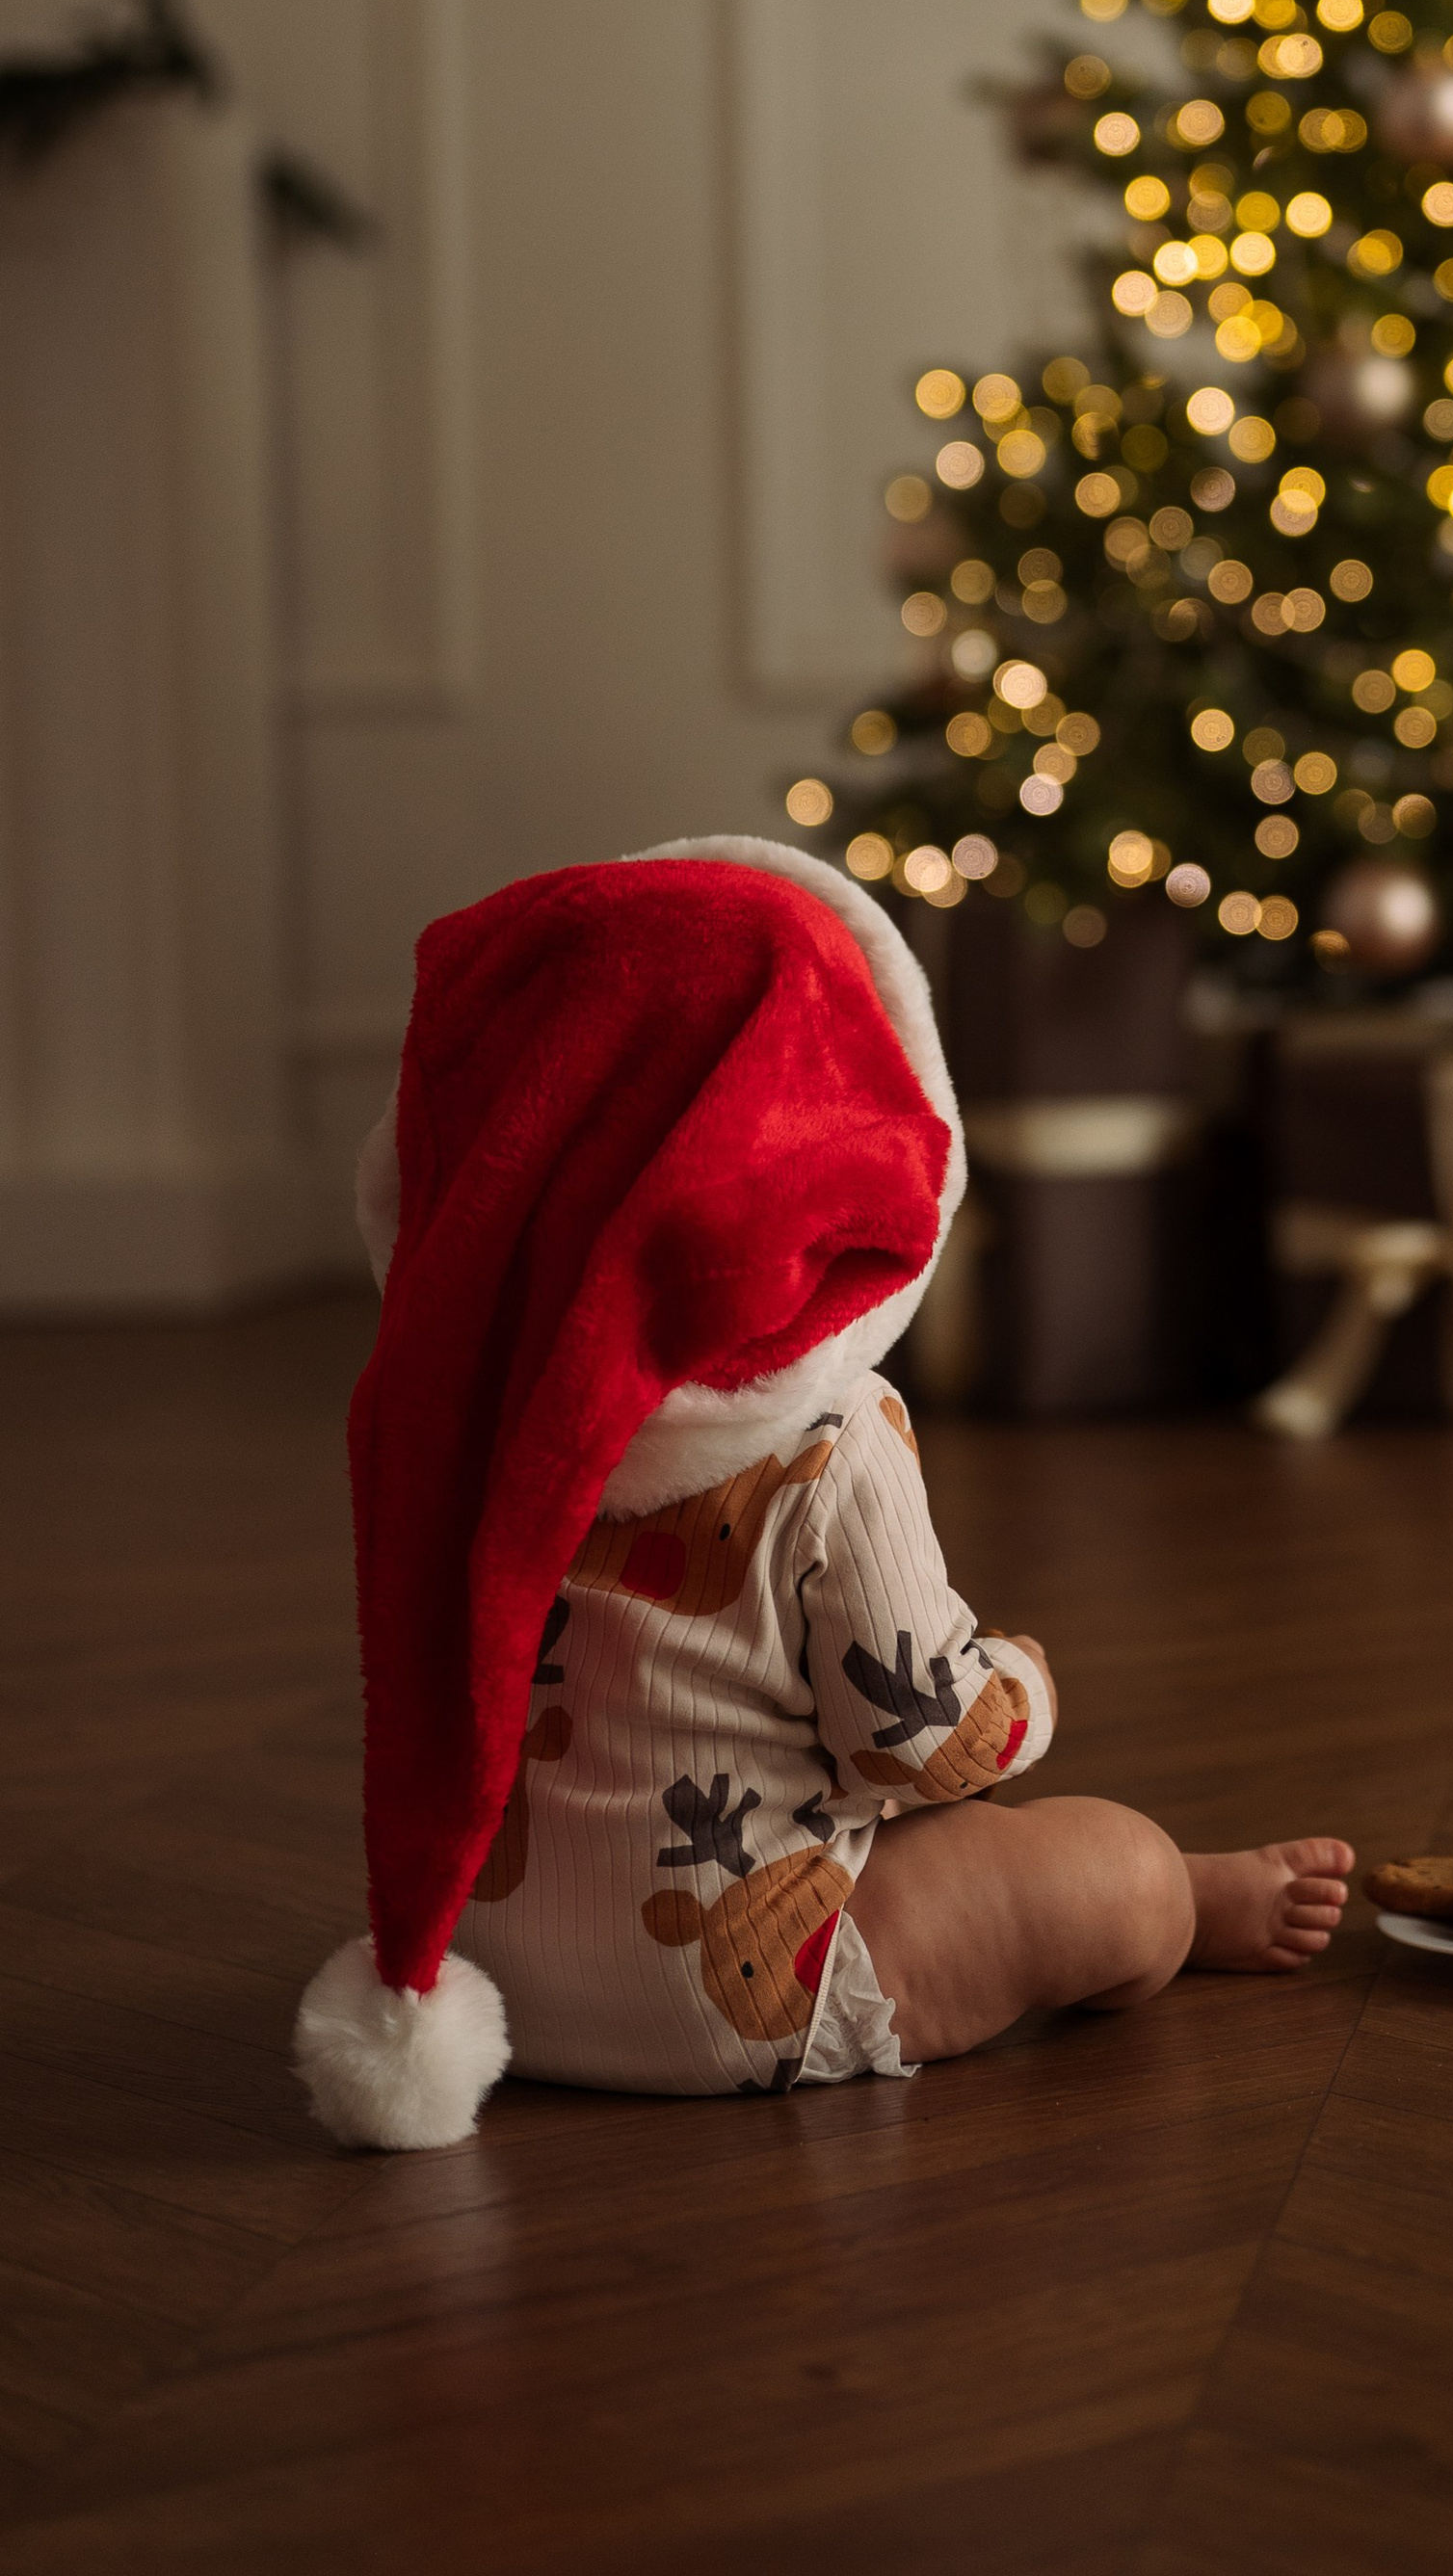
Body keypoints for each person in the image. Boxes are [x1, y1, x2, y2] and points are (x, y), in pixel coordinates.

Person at [294, 836, 1351, 2148]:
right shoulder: (827, 1436)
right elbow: (910, 1742)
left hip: (492, 1970)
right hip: (739, 1981)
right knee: (1107, 1867)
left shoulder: (450, 1416)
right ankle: (1190, 1904)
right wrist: (1021, 1682)